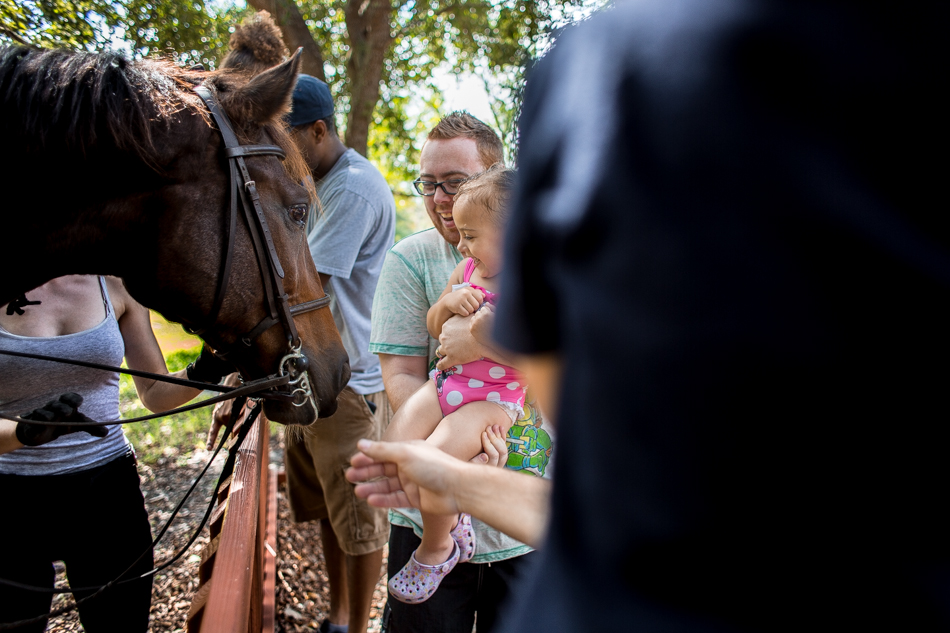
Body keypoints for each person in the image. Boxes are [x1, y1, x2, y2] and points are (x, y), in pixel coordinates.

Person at [369, 113, 553, 632]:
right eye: (428, 183)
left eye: (454, 182)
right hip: (429, 499)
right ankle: (439, 539)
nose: (439, 198)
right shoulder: (411, 261)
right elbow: (402, 376)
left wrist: (480, 342)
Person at [0, 275, 230, 632]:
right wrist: (23, 432)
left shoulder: (114, 284)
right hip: (11, 501)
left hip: (107, 494)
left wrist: (206, 369)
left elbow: (154, 391)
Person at [281, 73, 396, 633]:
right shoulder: (316, 184)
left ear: (318, 130)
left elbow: (303, 288)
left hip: (347, 382)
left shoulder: (351, 187)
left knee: (359, 521)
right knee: (331, 510)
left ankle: (357, 626)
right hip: (311, 378)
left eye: (285, 136)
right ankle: (339, 615)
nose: (278, 150)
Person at [382, 166, 524, 603]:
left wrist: (483, 340)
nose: (460, 244)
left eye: (471, 235)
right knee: (395, 451)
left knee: (435, 462)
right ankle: (456, 515)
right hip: (445, 383)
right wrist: (446, 304)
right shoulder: (465, 269)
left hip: (492, 400)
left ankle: (438, 547)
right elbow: (432, 324)